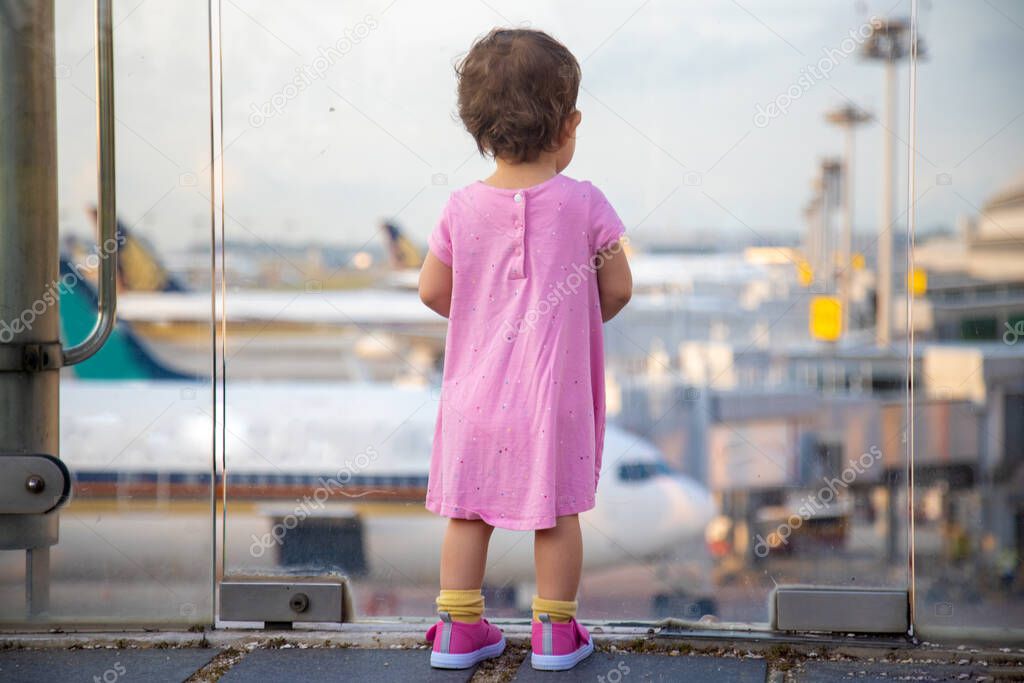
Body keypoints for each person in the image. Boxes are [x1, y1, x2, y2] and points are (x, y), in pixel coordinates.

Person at [418, 27, 632, 671]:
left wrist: (487, 322)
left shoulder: (460, 207)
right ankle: (554, 635)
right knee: (557, 513)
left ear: (476, 127)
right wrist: (564, 321)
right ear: (568, 125)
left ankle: (458, 630)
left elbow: (432, 290)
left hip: (474, 399)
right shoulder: (585, 202)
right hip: (553, 397)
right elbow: (618, 288)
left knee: (467, 512)